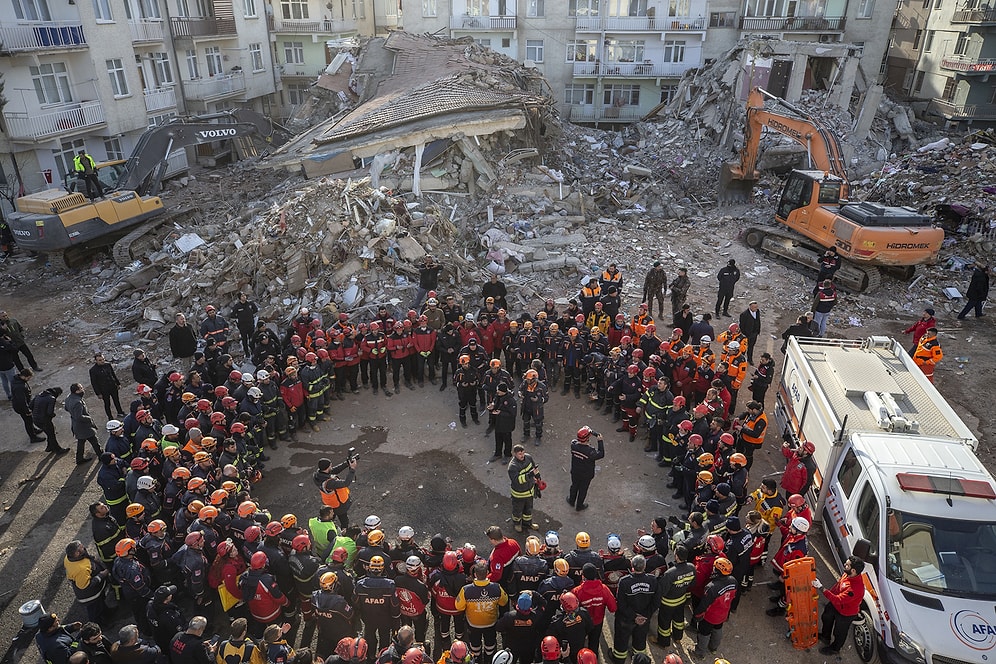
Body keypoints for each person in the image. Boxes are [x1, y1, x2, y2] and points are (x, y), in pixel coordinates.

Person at [454, 561, 507, 663]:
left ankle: (476, 659)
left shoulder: (466, 590)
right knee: (490, 644)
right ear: (487, 572)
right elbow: (504, 602)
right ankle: (489, 659)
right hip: (490, 624)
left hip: (473, 625)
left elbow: (458, 606)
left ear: (475, 574)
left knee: (474, 645)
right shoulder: (496, 588)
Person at [815, 555, 866, 656]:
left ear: (854, 571)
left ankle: (835, 648)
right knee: (826, 618)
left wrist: (821, 588)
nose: (844, 565)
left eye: (847, 565)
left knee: (839, 632)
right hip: (835, 605)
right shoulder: (847, 575)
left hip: (845, 613)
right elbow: (838, 586)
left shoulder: (855, 589)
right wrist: (830, 592)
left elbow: (839, 600)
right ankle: (825, 637)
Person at [610, 555, 656, 664]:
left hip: (625, 619)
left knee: (621, 640)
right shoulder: (652, 580)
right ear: (645, 566)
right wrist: (644, 616)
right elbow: (656, 601)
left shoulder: (624, 581)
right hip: (644, 619)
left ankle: (618, 659)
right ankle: (638, 658)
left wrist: (634, 616)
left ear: (632, 566)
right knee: (640, 640)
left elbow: (620, 603)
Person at [692, 557, 737, 658]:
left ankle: (700, 653)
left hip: (710, 616)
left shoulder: (711, 587)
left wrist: (697, 615)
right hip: (723, 614)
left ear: (717, 570)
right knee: (718, 629)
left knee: (704, 633)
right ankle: (713, 648)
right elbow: (733, 597)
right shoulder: (733, 581)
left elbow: (704, 605)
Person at [64, 541, 109, 625]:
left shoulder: (69, 558)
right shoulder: (81, 569)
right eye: (81, 547)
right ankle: (99, 626)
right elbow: (86, 586)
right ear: (77, 553)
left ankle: (108, 614)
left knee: (101, 605)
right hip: (91, 596)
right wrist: (101, 575)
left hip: (96, 593)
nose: (84, 547)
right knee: (95, 612)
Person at [567, 426, 604, 511]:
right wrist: (600, 441)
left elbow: (576, 441)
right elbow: (601, 454)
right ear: (587, 439)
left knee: (574, 486)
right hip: (586, 475)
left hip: (575, 472)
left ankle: (571, 501)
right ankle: (579, 506)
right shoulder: (590, 452)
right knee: (583, 490)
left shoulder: (573, 445)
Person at [66, 383, 103, 465]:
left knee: (81, 441)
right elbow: (79, 417)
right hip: (84, 426)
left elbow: (66, 408)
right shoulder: (78, 402)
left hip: (76, 425)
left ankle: (79, 458)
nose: (83, 390)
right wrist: (89, 418)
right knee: (94, 441)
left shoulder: (69, 398)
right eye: (81, 388)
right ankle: (101, 456)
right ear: (77, 391)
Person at [507, 445, 540, 532]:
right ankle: (517, 524)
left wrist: (538, 477)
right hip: (519, 494)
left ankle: (527, 523)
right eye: (520, 454)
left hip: (529, 491)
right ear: (514, 454)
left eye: (523, 453)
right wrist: (530, 474)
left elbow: (534, 468)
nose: (522, 455)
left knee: (528, 510)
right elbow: (517, 480)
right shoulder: (513, 466)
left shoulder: (528, 457)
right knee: (517, 511)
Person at [33, 385, 68, 454]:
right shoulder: (51, 398)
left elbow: (31, 406)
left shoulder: (39, 395)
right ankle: (58, 450)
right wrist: (53, 415)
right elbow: (50, 412)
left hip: (35, 419)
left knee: (49, 433)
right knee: (51, 434)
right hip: (45, 420)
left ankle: (49, 447)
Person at [488, 382, 517, 462]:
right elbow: (495, 401)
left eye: (498, 391)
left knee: (507, 440)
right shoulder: (498, 396)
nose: (497, 392)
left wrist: (500, 413)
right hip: (498, 423)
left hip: (507, 424)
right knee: (498, 439)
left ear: (503, 391)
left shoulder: (510, 401)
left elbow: (513, 414)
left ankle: (507, 455)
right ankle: (498, 454)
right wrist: (493, 405)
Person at [90, 353, 125, 420]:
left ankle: (120, 412)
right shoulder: (93, 370)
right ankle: (110, 417)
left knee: (116, 400)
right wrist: (98, 393)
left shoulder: (107, 365)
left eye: (103, 359)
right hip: (104, 390)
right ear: (96, 361)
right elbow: (94, 383)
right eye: (100, 360)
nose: (102, 361)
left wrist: (118, 383)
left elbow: (113, 374)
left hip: (112, 386)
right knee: (107, 403)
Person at [231, 294, 259, 358]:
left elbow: (255, 310)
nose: (244, 297)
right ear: (239, 298)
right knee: (244, 340)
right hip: (242, 326)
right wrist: (239, 318)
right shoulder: (237, 306)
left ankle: (253, 352)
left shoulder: (250, 303)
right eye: (242, 296)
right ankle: (247, 353)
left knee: (252, 339)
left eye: (244, 296)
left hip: (250, 325)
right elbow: (232, 315)